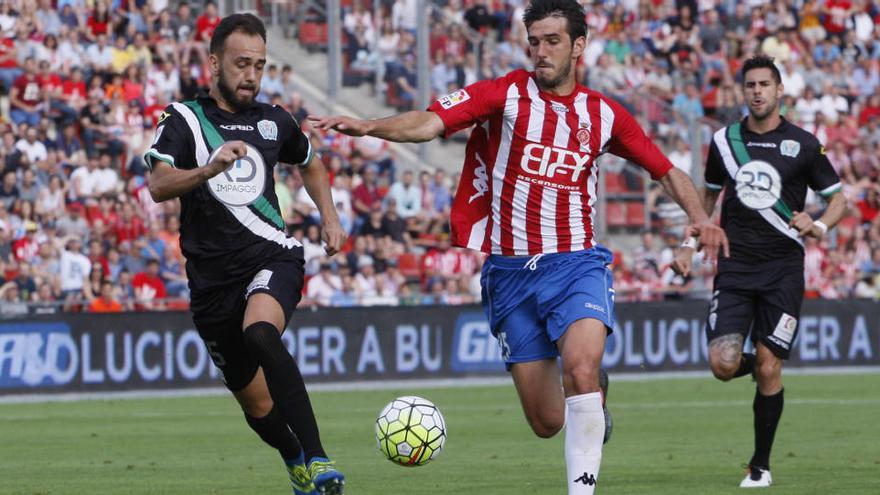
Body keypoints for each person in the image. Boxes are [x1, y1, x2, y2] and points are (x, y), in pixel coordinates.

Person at [310, 1, 726, 493]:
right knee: (548, 421)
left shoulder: (604, 114)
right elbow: (430, 122)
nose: (541, 51)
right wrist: (371, 126)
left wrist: (699, 218)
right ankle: (592, 392)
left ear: (579, 46)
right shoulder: (504, 94)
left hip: (577, 264)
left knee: (580, 367)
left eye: (552, 41)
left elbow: (666, 170)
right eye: (534, 41)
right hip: (510, 275)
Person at [143, 14, 346, 495]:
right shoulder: (184, 120)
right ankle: (295, 458)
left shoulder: (276, 120)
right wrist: (209, 169)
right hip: (212, 285)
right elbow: (158, 185)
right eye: (241, 64)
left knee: (260, 331)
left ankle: (318, 459)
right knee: (257, 409)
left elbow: (311, 165)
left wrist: (330, 217)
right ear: (214, 63)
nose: (251, 75)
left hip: (271, 256)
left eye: (259, 65)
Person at [672, 55, 846, 489]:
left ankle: (760, 466)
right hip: (734, 265)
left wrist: (819, 222)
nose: (757, 91)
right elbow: (706, 200)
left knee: (768, 368)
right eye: (750, 84)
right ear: (742, 91)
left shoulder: (805, 144)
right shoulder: (725, 141)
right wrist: (689, 244)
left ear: (779, 89)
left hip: (783, 269)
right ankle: (763, 359)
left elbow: (840, 197)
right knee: (722, 363)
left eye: (765, 84)